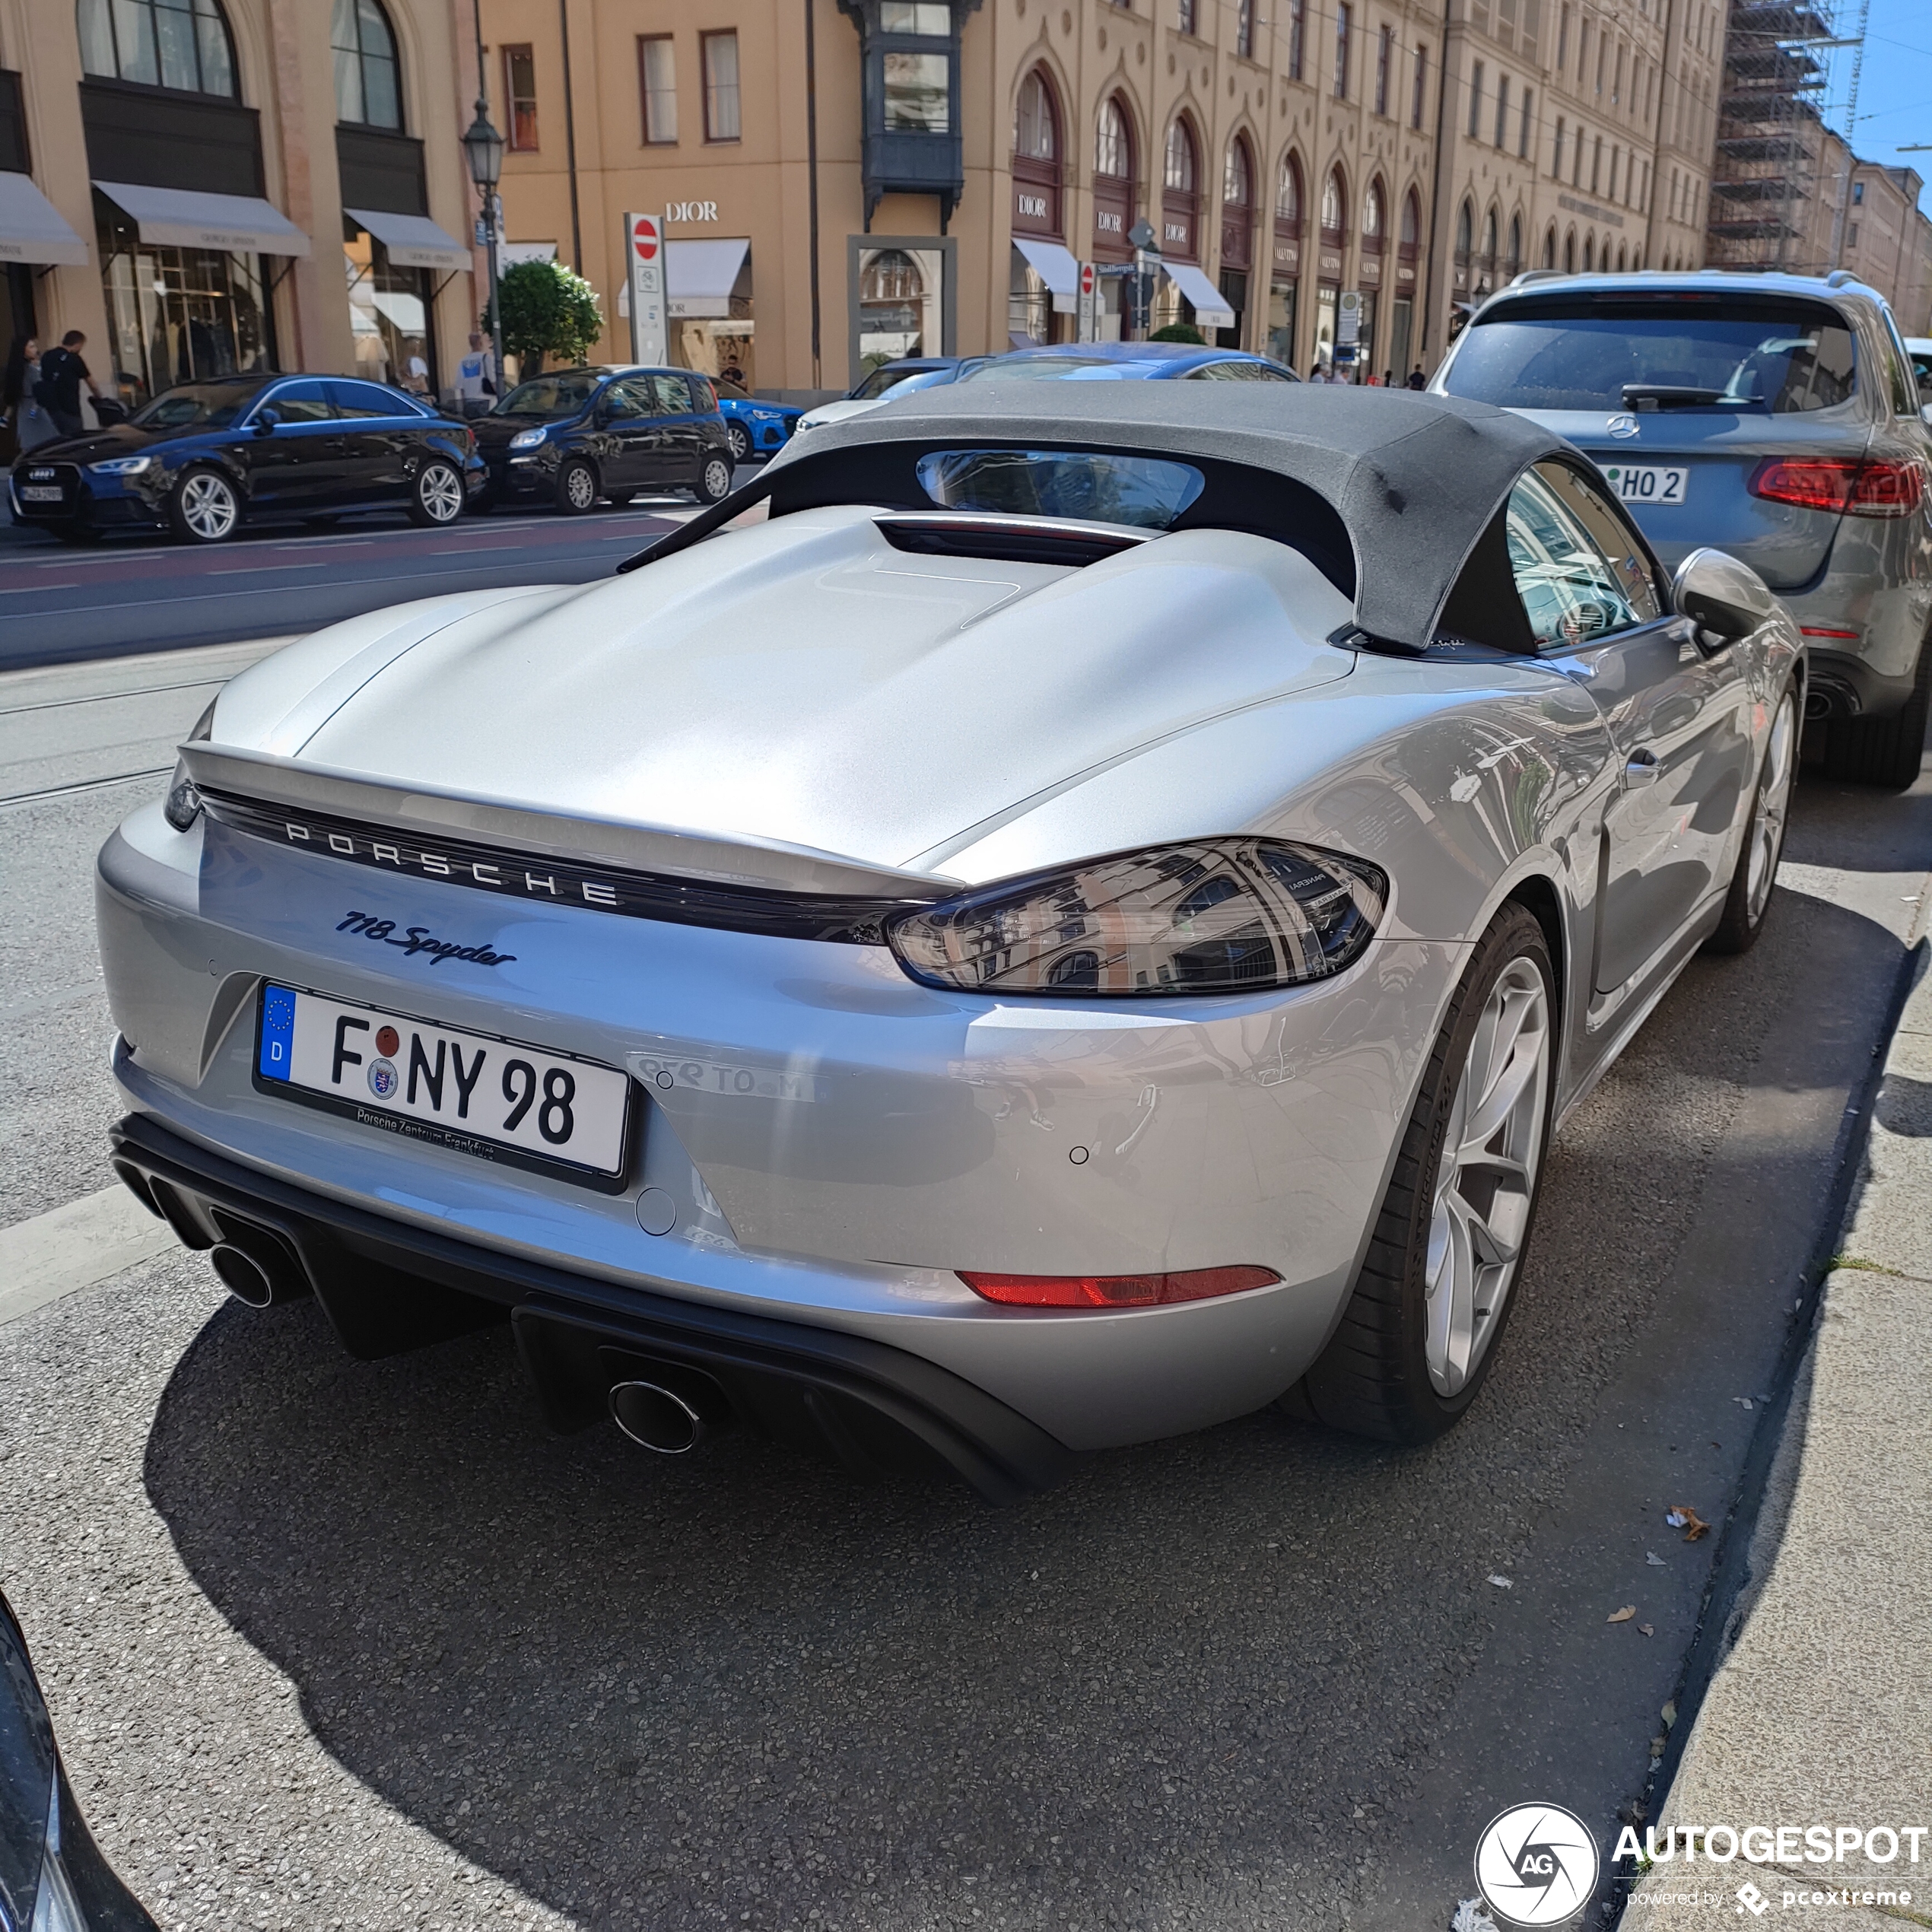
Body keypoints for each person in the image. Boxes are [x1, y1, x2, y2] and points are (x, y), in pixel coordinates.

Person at [36, 330, 97, 438]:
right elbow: (91, 383)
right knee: (75, 440)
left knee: (54, 441)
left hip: (50, 407)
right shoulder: (75, 358)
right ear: (78, 344)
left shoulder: (47, 355)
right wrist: (99, 396)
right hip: (70, 408)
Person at [4, 335, 59, 455]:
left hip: (24, 409)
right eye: (32, 347)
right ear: (23, 350)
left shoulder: (16, 370)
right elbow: (41, 389)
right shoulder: (31, 370)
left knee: (29, 445)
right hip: (36, 408)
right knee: (49, 442)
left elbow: (12, 400)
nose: (36, 350)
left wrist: (5, 418)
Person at [454, 332, 493, 416]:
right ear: (480, 343)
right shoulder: (486, 358)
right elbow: (492, 379)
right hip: (484, 398)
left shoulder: (462, 361)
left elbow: (459, 385)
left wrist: (462, 402)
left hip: (469, 400)